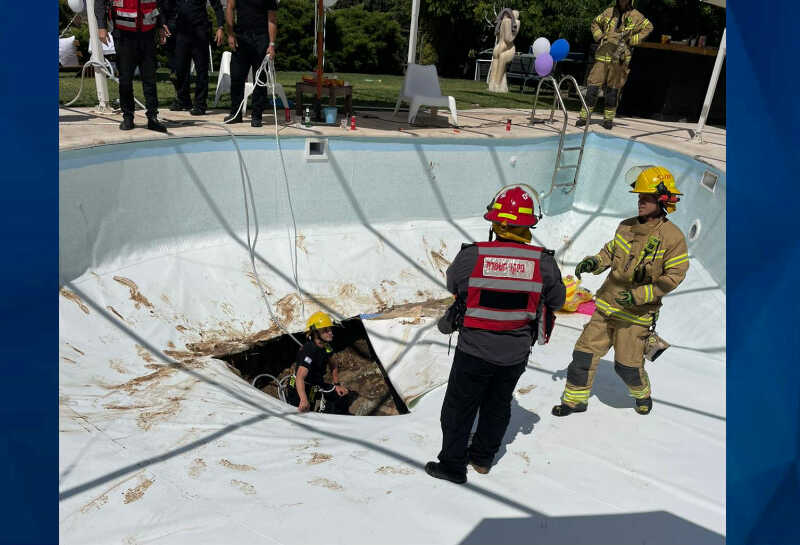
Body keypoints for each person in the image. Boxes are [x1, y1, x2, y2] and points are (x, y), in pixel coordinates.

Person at [425, 186, 566, 484]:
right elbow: (558, 301)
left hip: (473, 351)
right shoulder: (544, 262)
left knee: (458, 408)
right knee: (497, 405)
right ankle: (482, 459)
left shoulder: (472, 256)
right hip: (514, 354)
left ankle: (452, 465)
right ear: (528, 225)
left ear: (496, 223)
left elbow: (454, 285)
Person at [552, 166, 689, 417]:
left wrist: (638, 296)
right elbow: (612, 251)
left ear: (662, 201)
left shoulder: (673, 238)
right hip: (606, 306)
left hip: (635, 316)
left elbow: (674, 277)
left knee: (627, 367)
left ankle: (642, 393)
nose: (640, 202)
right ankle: (574, 401)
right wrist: (595, 261)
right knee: (583, 355)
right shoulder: (625, 227)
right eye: (639, 197)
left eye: (646, 198)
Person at [577, 0, 653, 130]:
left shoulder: (637, 16)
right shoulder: (609, 11)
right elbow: (595, 22)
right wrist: (600, 36)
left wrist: (632, 40)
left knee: (613, 90)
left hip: (620, 58)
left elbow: (649, 27)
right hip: (603, 56)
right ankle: (584, 117)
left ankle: (608, 119)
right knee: (593, 87)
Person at [95, 0, 169, 132]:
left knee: (150, 79)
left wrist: (161, 25)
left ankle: (152, 117)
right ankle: (128, 117)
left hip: (148, 34)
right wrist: (102, 26)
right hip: (124, 35)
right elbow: (100, 3)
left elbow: (159, 3)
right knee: (125, 80)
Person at [164, 0, 226, 115]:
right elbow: (167, 6)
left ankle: (200, 104)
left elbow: (217, 6)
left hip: (200, 30)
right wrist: (164, 23)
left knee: (201, 69)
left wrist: (220, 27)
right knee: (180, 67)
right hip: (181, 31)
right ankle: (184, 100)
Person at [224, 0, 278, 127]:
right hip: (241, 36)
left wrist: (272, 44)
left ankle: (257, 115)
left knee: (260, 79)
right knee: (237, 76)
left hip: (261, 37)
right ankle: (236, 113)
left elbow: (272, 19)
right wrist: (230, 34)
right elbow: (229, 8)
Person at [287, 312, 352, 415]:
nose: (330, 332)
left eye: (330, 329)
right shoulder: (310, 350)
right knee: (308, 414)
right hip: (299, 389)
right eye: (325, 330)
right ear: (315, 333)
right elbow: (300, 377)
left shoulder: (327, 347)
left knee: (342, 395)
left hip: (316, 385)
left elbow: (333, 365)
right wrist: (303, 400)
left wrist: (337, 384)